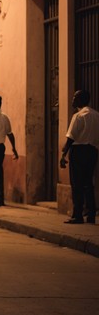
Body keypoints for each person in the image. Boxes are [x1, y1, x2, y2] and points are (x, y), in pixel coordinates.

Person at [60, 89, 99, 224]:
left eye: (75, 97)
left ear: (81, 100)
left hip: (79, 151)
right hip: (92, 151)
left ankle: (77, 214)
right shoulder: (96, 115)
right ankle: (91, 213)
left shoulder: (78, 116)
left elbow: (71, 137)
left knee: (77, 184)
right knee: (88, 183)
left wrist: (64, 153)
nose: (72, 100)